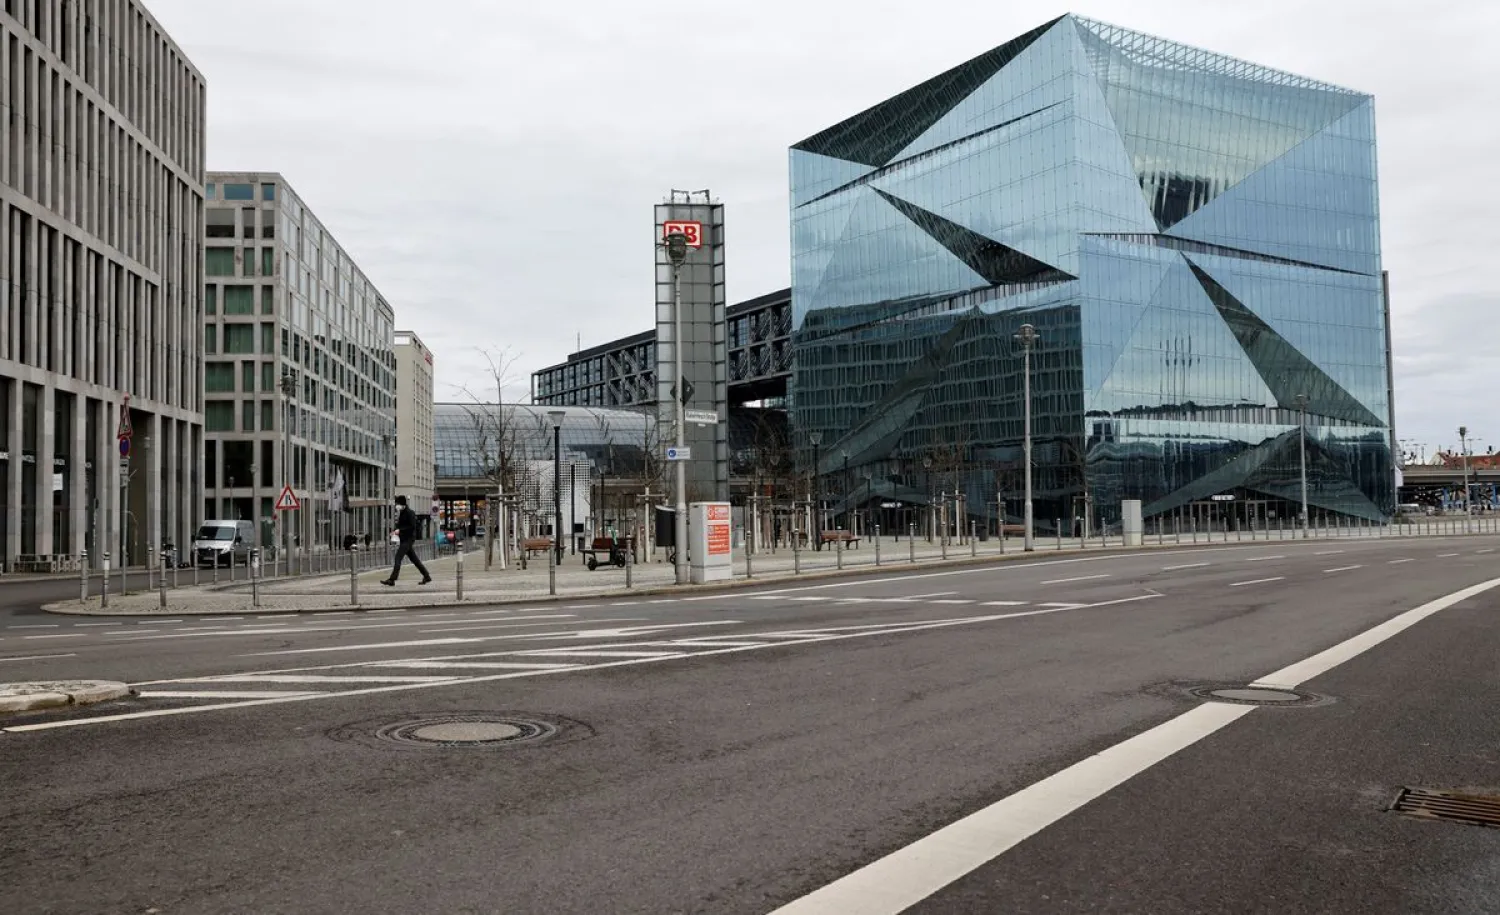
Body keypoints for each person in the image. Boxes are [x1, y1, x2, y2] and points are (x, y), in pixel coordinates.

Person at [381, 495, 431, 586]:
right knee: (415, 560)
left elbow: (412, 526)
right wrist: (395, 532)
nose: (396, 506)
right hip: (404, 539)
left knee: (398, 558)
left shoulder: (410, 513)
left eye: (397, 504)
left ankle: (392, 579)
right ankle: (426, 576)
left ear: (402, 504)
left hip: (409, 539)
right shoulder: (402, 512)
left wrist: (400, 530)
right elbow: (401, 525)